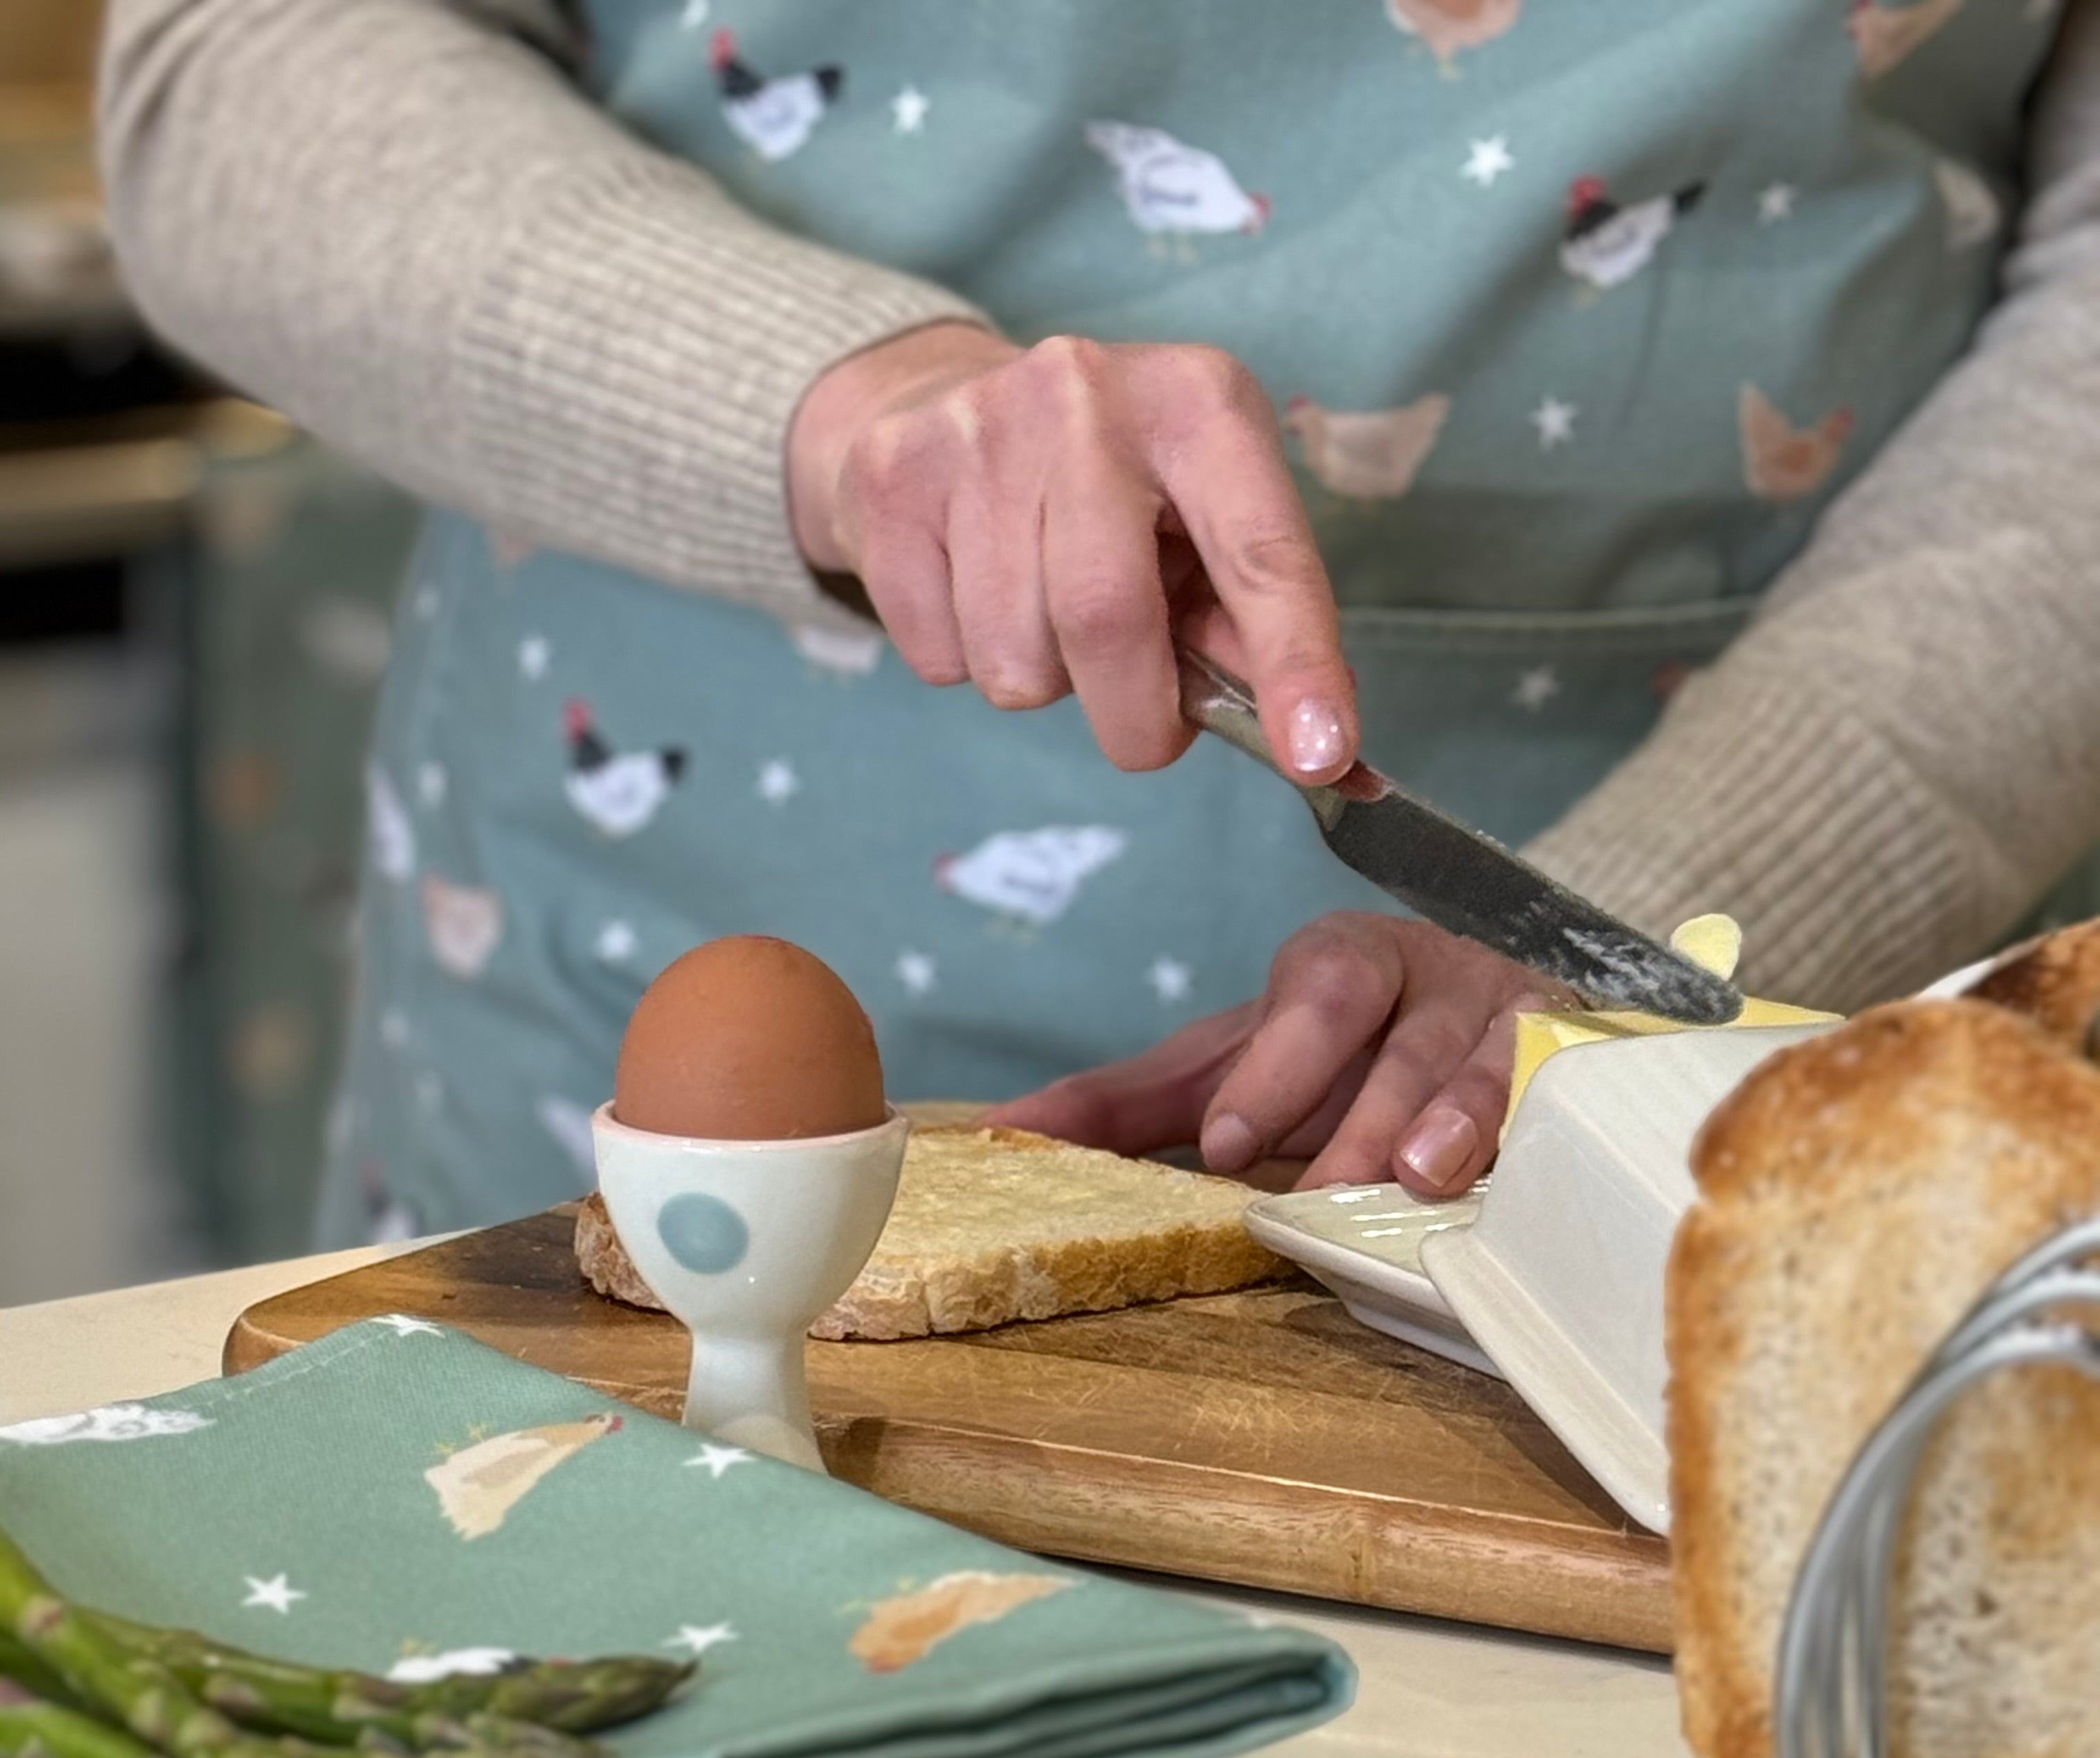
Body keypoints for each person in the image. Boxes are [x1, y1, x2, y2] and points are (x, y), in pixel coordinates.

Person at [100, 0, 2100, 1247]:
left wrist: (1670, 922)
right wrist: (844, 405)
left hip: (1680, 1110)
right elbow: (245, 59)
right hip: (635, 1025)